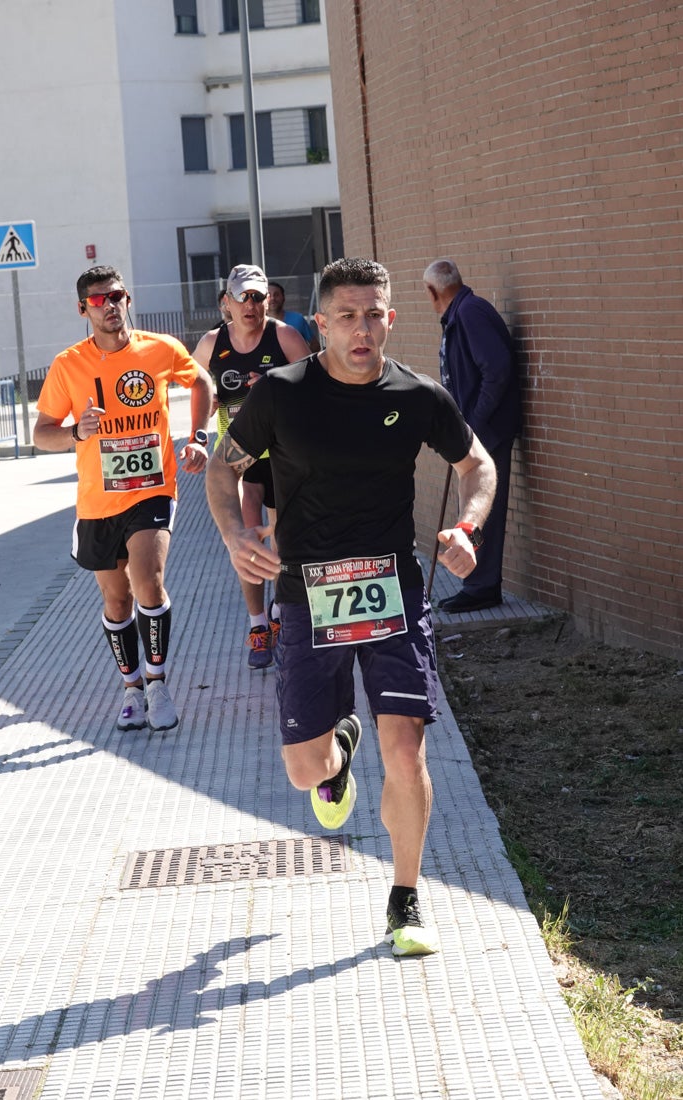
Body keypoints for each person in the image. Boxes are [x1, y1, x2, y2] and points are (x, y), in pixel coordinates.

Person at [206, 257, 496, 955]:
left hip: (394, 587)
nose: (361, 330)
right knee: (303, 771)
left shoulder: (419, 396)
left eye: (373, 315)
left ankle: (405, 901)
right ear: (322, 324)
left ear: (390, 319)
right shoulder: (282, 394)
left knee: (406, 750)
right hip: (309, 595)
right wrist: (235, 534)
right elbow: (223, 465)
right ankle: (337, 749)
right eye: (346, 316)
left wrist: (468, 525)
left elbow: (476, 464)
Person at [34, 264, 214, 732]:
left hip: (152, 488)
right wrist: (76, 431)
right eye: (98, 300)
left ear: (127, 299)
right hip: (97, 501)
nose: (110, 305)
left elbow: (200, 382)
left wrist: (197, 436)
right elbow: (42, 433)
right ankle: (131, 688)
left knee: (148, 581)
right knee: (117, 601)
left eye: (116, 296)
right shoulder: (68, 364)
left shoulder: (159, 348)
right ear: (83, 309)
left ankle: (157, 683)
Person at [193, 264, 311, 669]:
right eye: (243, 297)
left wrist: (279, 389)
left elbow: (317, 391)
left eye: (258, 296)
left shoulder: (285, 337)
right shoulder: (211, 345)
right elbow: (199, 401)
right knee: (245, 536)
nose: (252, 305)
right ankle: (257, 624)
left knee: (280, 537)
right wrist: (197, 439)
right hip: (239, 459)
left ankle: (280, 614)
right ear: (227, 302)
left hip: (281, 454)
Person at [423, 259, 522, 612]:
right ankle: (476, 581)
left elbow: (497, 369)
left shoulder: (470, 313)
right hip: (476, 431)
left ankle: (482, 586)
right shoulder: (460, 314)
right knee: (473, 507)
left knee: (484, 510)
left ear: (434, 291)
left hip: (488, 431)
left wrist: (473, 425)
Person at [268, 280, 320, 351]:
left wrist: (303, 359)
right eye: (268, 295)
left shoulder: (297, 319)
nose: (272, 298)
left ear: (283, 298)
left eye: (276, 295)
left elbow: (315, 345)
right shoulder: (257, 324)